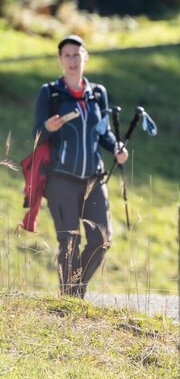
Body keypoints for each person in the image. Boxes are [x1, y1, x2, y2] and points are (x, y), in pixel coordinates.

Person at [34, 35, 127, 297]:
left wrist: (117, 148)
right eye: (67, 55)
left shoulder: (97, 94)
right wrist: (48, 128)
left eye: (77, 54)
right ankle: (69, 298)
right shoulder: (50, 93)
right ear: (60, 59)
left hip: (94, 179)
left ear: (86, 57)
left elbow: (103, 133)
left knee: (101, 240)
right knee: (69, 242)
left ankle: (77, 289)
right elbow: (37, 134)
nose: (73, 60)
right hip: (60, 180)